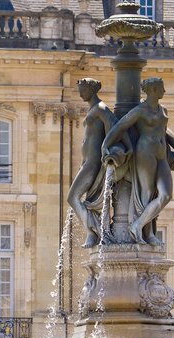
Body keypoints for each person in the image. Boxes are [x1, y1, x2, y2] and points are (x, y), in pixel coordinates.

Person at [101, 77, 174, 245]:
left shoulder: (163, 110)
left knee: (166, 195)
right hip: (145, 152)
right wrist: (105, 145)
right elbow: (120, 126)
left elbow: (165, 131)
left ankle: (137, 224)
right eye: (162, 88)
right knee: (146, 194)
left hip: (161, 154)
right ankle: (147, 233)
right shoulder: (140, 110)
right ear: (153, 90)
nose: (165, 91)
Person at [67, 78, 117, 247]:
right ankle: (95, 230)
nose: (80, 92)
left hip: (94, 162)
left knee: (72, 197)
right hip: (88, 161)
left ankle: (93, 231)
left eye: (83, 89)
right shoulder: (93, 109)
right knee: (75, 198)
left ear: (92, 89)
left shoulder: (101, 108)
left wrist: (108, 149)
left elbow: (114, 128)